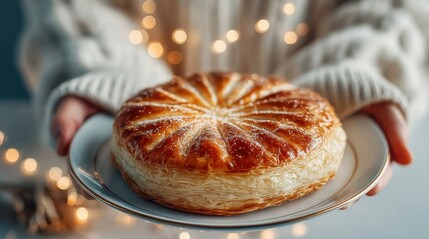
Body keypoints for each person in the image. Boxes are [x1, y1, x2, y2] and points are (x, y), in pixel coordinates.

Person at [19, 0, 428, 197]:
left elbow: (389, 8)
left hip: (325, 180)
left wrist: (360, 66)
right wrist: (100, 67)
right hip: (120, 185)